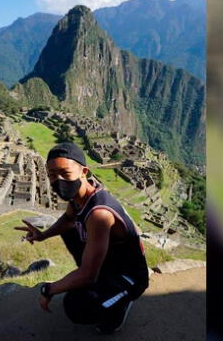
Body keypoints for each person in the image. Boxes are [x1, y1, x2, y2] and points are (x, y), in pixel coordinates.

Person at [14, 142, 149, 334]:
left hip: (130, 276)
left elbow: (88, 275)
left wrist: (48, 289)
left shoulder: (99, 214)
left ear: (83, 171)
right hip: (111, 262)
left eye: (65, 173)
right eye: (52, 175)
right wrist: (43, 235)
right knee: (69, 229)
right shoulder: (79, 197)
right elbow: (68, 219)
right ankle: (97, 279)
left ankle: (121, 304)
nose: (57, 181)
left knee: (77, 308)